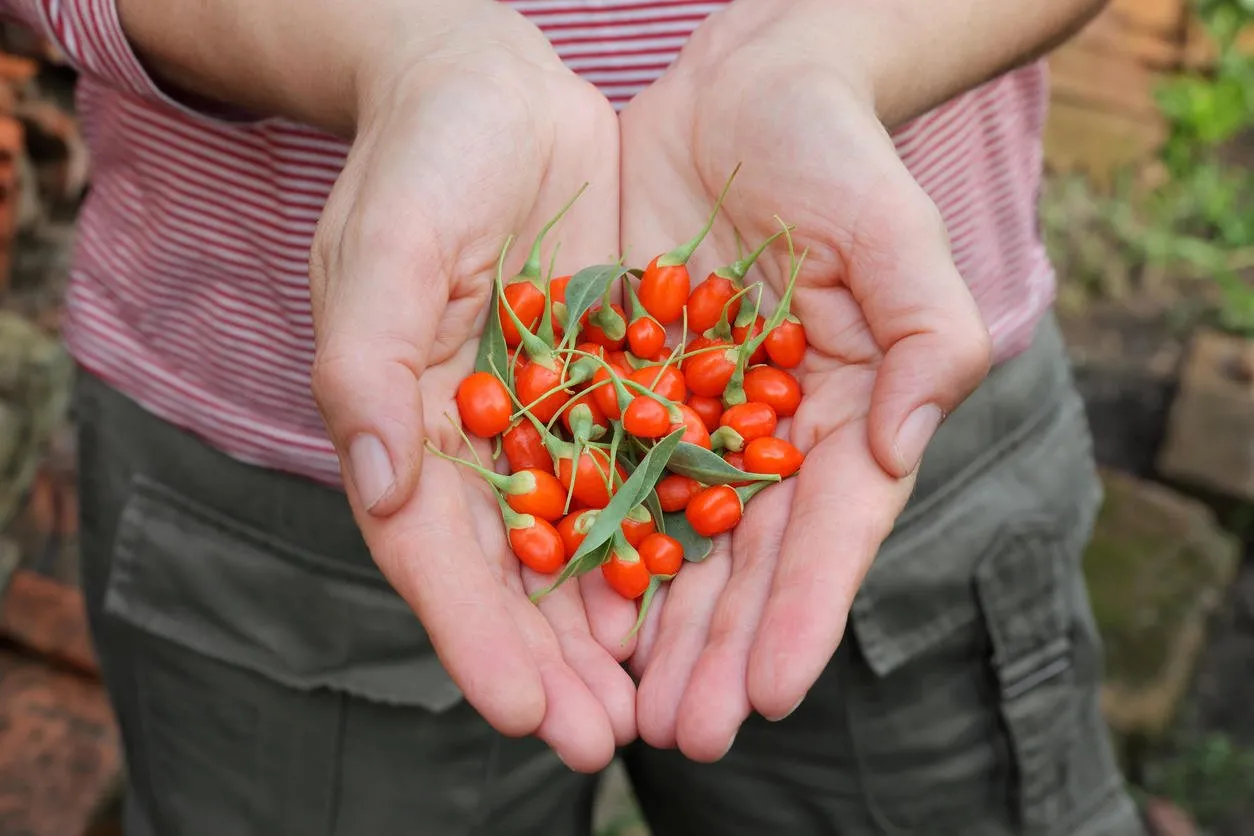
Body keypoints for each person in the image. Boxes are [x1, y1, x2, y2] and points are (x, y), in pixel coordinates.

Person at [0, 0, 1145, 833]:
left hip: (879, 393)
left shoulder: (690, 391)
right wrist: (399, 50)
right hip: (273, 469)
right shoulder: (600, 408)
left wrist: (836, 51)